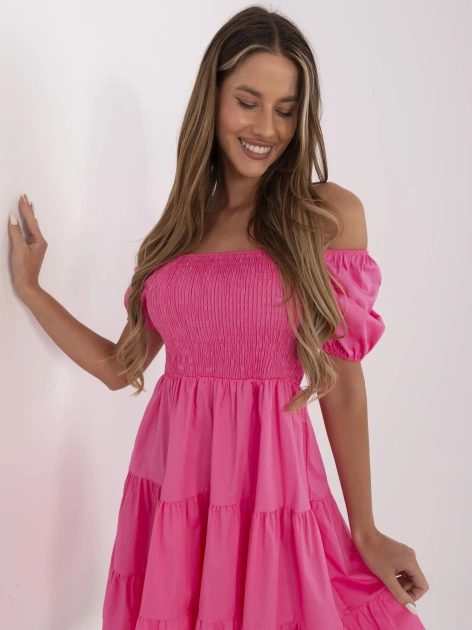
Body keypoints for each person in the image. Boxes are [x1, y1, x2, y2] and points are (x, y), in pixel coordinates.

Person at [8, 5, 429, 629]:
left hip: (273, 493)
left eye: (286, 110)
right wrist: (31, 289)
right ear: (213, 98)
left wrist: (365, 529)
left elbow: (342, 383)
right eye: (247, 102)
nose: (266, 127)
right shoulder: (177, 233)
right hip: (177, 491)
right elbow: (120, 367)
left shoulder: (326, 216)